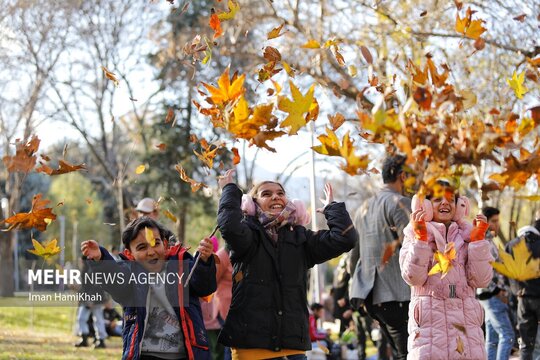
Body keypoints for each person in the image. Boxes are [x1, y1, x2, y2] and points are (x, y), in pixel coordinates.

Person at [216, 169, 357, 360]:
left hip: (293, 346)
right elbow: (229, 226)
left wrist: (333, 209)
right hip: (250, 346)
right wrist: (229, 190)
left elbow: (345, 239)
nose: (275, 196)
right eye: (266, 193)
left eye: (280, 193)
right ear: (251, 203)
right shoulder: (246, 234)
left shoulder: (301, 237)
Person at [81, 216, 216, 360]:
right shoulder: (130, 275)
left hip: (185, 354)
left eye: (155, 243)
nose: (151, 252)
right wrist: (101, 259)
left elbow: (205, 287)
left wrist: (204, 262)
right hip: (144, 354)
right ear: (129, 254)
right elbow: (115, 281)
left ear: (164, 243)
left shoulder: (182, 266)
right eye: (142, 247)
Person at [399, 180, 494, 359]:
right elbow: (413, 277)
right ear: (425, 205)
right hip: (430, 326)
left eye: (451, 199)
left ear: (458, 206)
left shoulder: (467, 236)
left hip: (465, 323)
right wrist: (420, 241)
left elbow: (482, 280)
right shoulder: (413, 234)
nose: (445, 203)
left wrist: (478, 243)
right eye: (437, 199)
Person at [349, 154, 412, 360]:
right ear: (403, 176)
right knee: (410, 354)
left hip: (372, 296)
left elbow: (354, 256)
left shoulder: (363, 208)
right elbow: (414, 249)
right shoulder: (400, 203)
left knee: (400, 354)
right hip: (399, 294)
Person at [477, 206, 514, 360]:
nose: (497, 224)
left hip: (487, 296)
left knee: (491, 340)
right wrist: (498, 291)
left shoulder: (488, 241)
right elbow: (482, 269)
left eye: (498, 221)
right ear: (485, 222)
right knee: (508, 336)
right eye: (494, 221)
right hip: (492, 296)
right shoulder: (483, 242)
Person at [505, 225, 540, 360]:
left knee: (525, 343)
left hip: (522, 299)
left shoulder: (511, 246)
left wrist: (515, 290)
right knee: (538, 343)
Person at [74, 256, 108, 349]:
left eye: (80, 260)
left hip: (94, 299)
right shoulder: (85, 269)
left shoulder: (92, 270)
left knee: (98, 319)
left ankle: (101, 340)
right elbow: (84, 287)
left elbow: (95, 286)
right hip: (87, 299)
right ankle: (84, 339)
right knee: (81, 318)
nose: (79, 262)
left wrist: (91, 299)